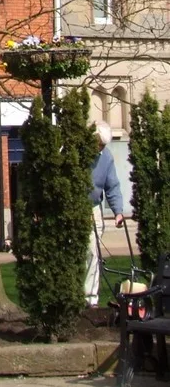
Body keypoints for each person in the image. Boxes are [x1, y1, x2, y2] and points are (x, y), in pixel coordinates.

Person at [85, 121, 125, 307]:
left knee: (93, 253)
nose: (99, 148)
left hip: (94, 207)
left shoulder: (106, 158)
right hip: (74, 207)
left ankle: (90, 298)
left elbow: (112, 185)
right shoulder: (76, 150)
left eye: (103, 145)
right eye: (98, 143)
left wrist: (118, 212)